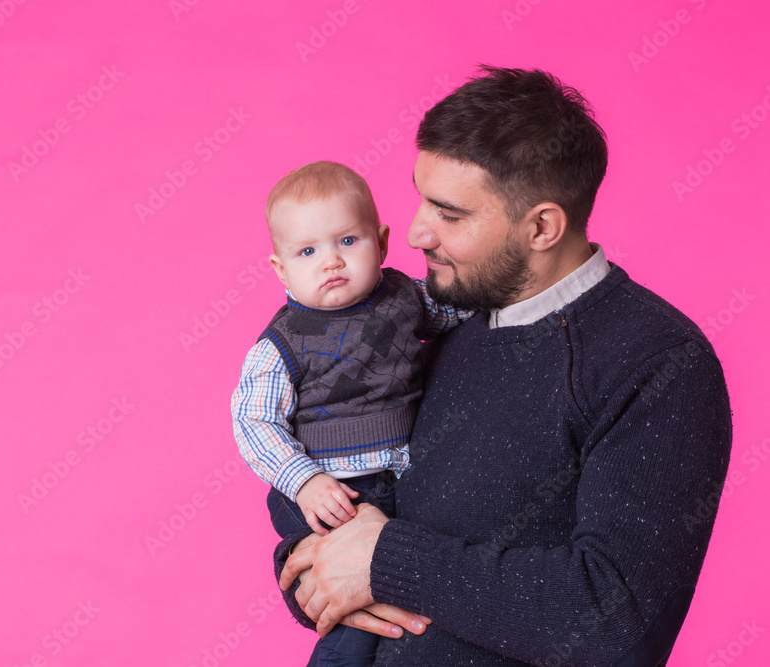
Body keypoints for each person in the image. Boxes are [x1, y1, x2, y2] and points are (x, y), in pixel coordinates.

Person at [277, 67, 734, 666]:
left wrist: (385, 561)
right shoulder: (443, 322)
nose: (415, 232)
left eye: (451, 214)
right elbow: (345, 466)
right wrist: (307, 560)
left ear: (542, 226)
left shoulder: (658, 362)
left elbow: (614, 619)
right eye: (420, 196)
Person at [231, 161, 471, 666]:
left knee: (402, 597)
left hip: (397, 475)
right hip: (330, 488)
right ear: (281, 269)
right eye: (308, 251)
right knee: (356, 611)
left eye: (347, 241)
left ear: (381, 243)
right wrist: (303, 481)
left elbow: (458, 312)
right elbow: (254, 421)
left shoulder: (405, 298)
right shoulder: (287, 340)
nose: (331, 263)